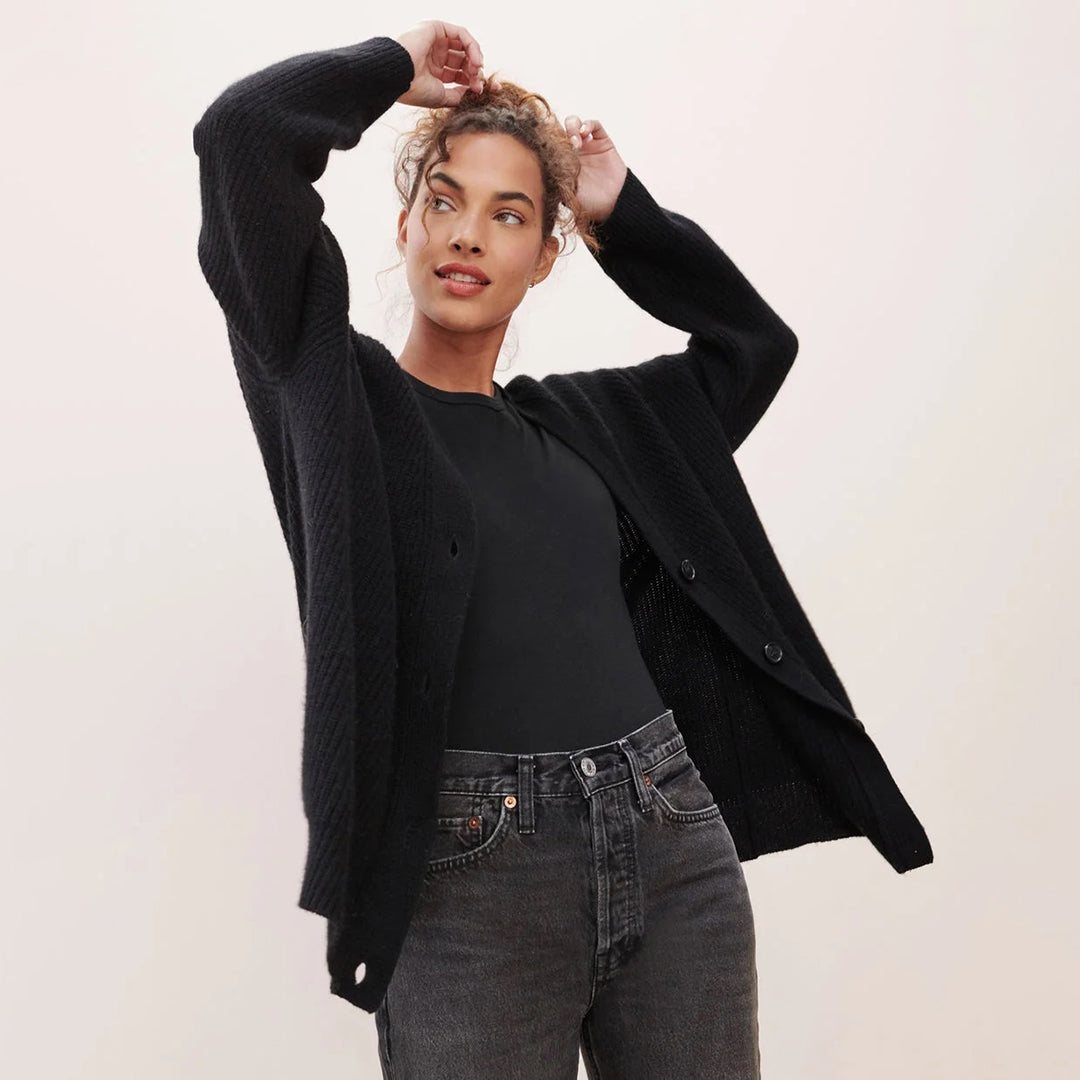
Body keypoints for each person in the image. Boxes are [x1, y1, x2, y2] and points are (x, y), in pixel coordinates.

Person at [192, 19, 932, 1079]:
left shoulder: (597, 423)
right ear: (404, 223)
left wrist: (621, 215)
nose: (467, 236)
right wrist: (397, 65)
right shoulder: (333, 400)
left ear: (544, 256)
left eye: (508, 215)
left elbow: (754, 345)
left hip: (671, 836)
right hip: (465, 875)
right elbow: (240, 138)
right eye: (444, 201)